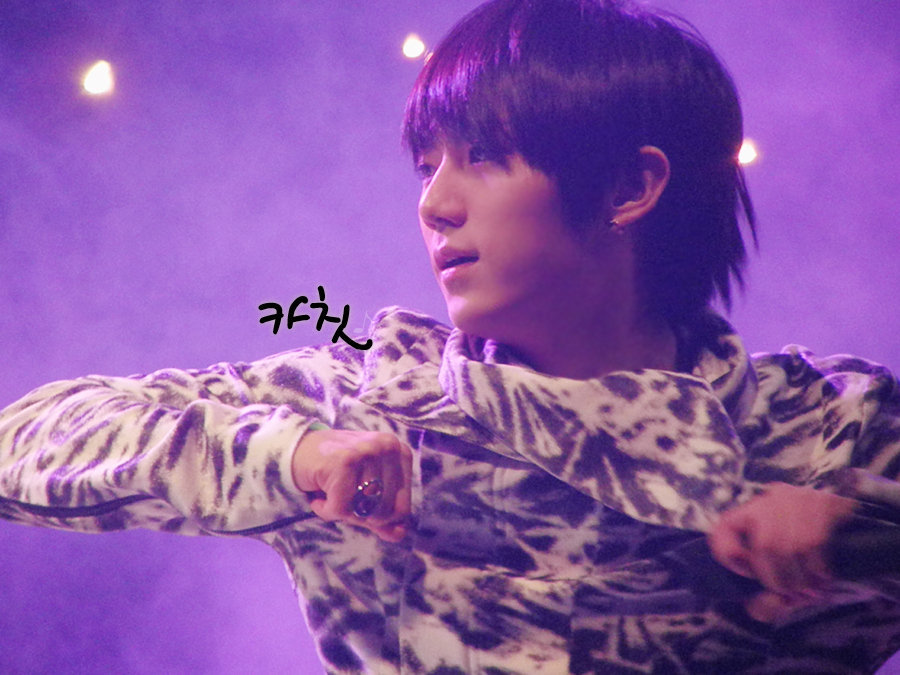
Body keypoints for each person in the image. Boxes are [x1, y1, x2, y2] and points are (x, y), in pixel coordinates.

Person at [2, 0, 900, 672]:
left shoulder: (827, 428)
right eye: (428, 165)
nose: (433, 203)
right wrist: (291, 456)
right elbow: (22, 441)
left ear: (629, 188)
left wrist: (866, 534)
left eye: (484, 157)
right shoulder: (372, 407)